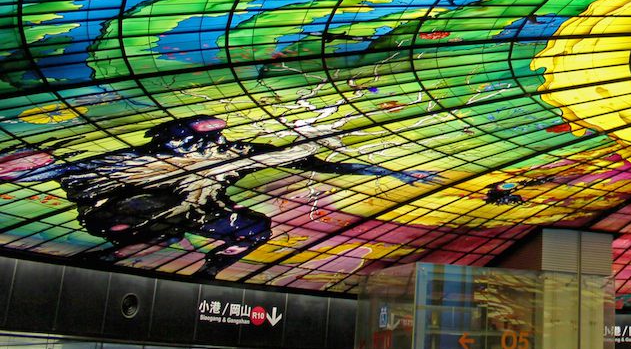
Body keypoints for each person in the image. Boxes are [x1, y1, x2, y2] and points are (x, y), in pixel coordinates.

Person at [0, 116, 431, 277]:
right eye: (188, 140)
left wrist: (393, 172)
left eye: (205, 140)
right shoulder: (125, 161)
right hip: (121, 212)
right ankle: (126, 246)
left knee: (253, 229)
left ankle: (207, 277)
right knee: (163, 222)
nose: (202, 146)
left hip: (189, 213)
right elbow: (57, 170)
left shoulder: (232, 154)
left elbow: (320, 166)